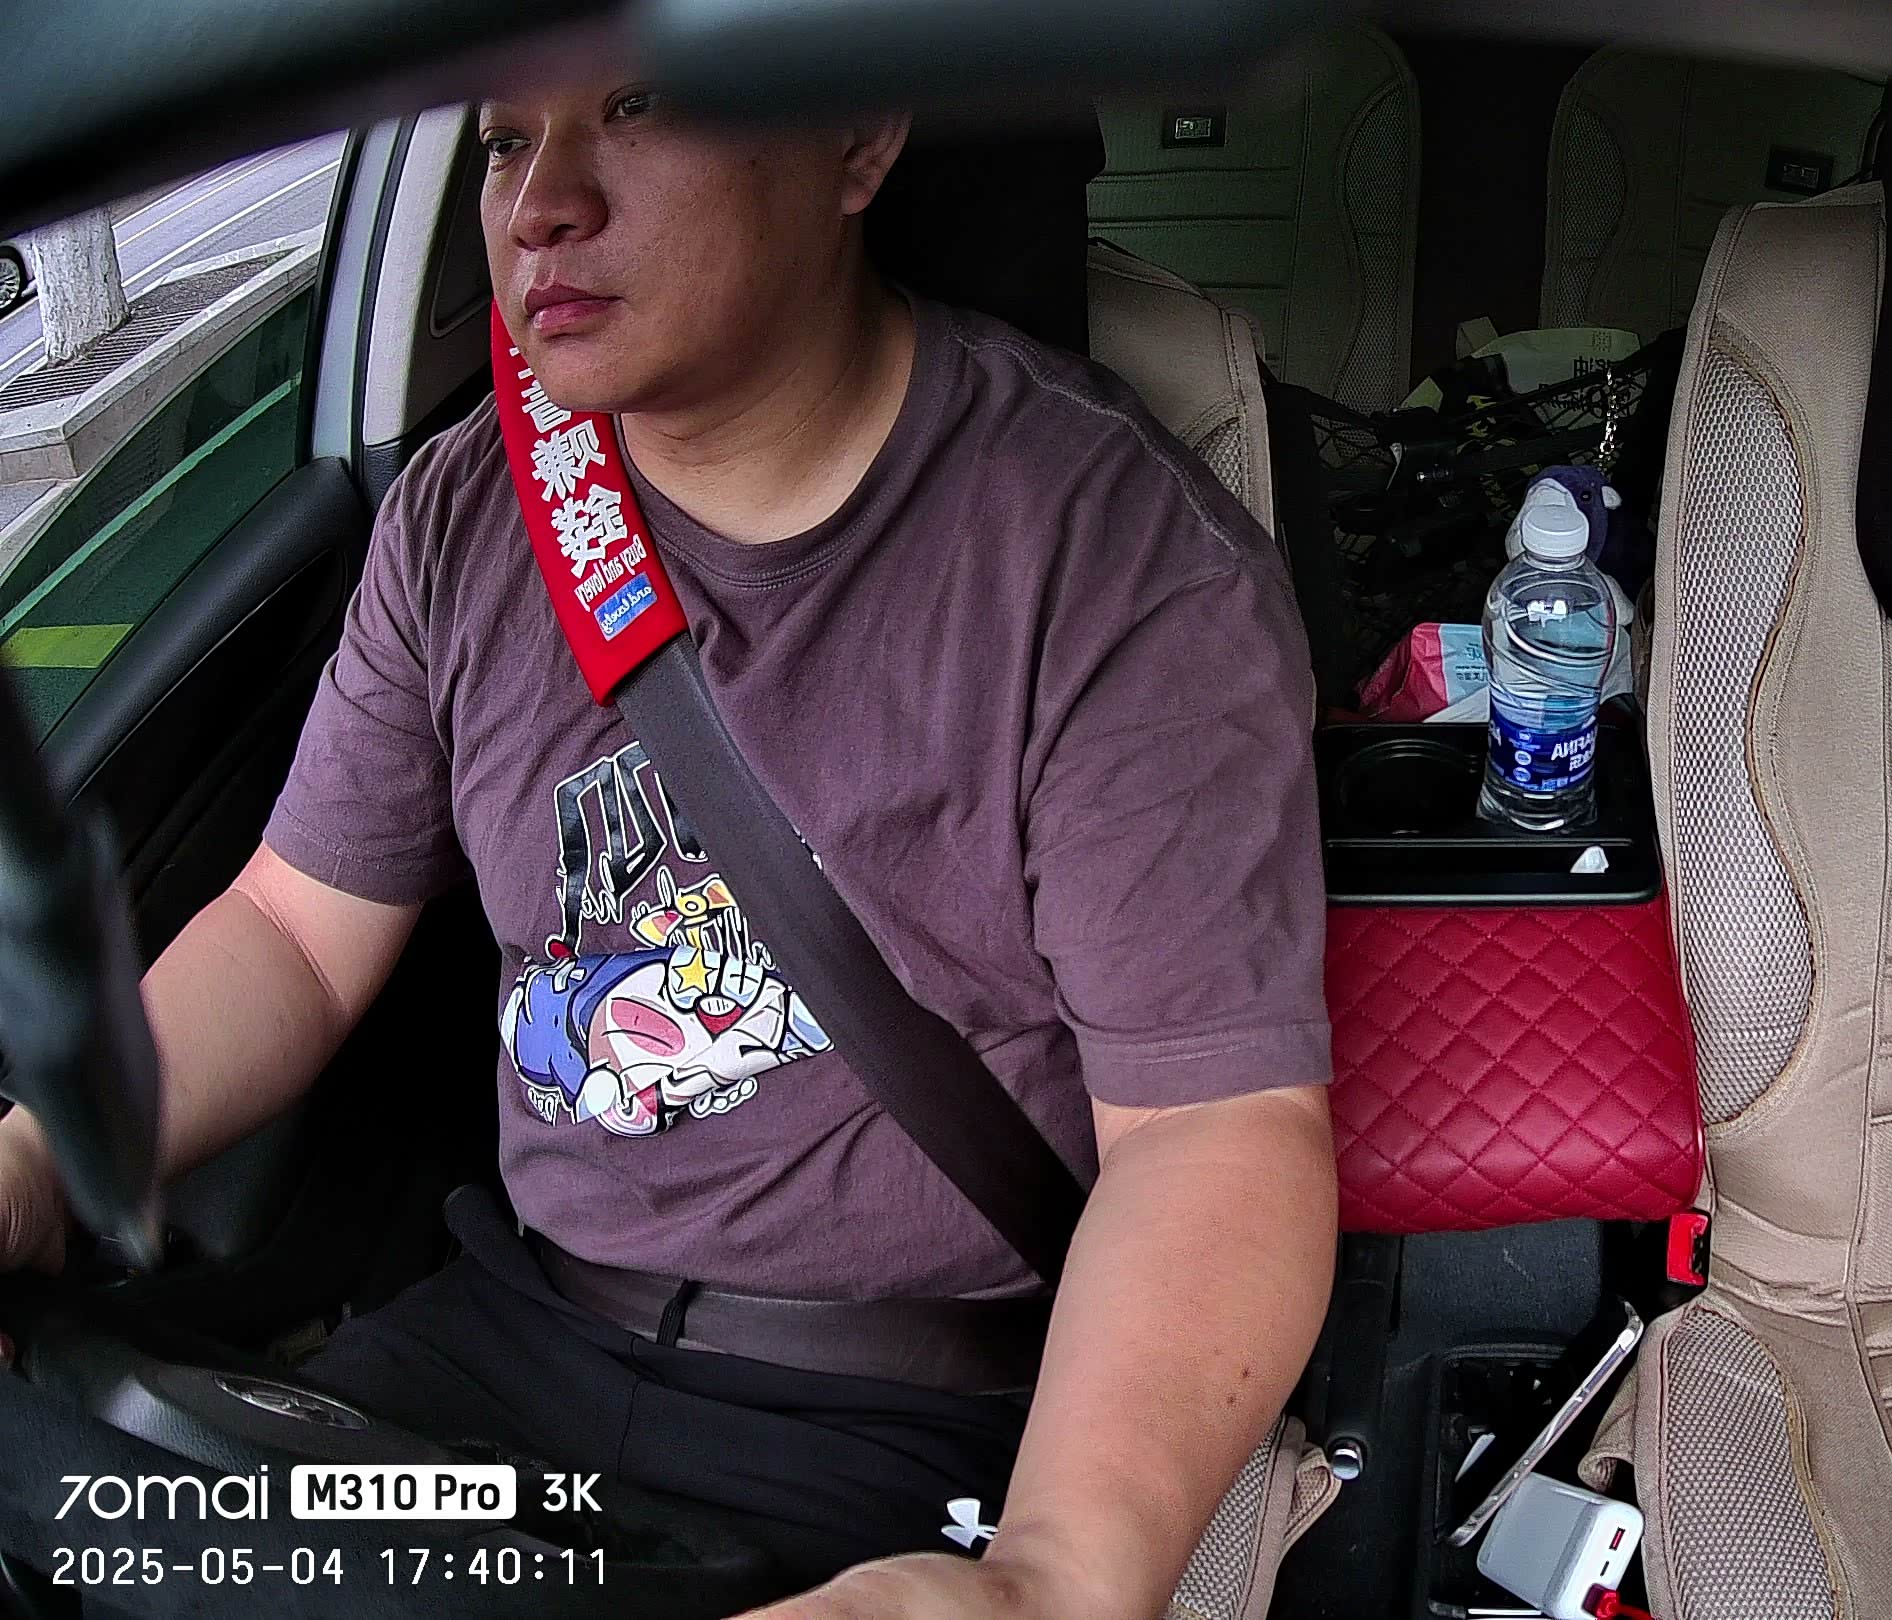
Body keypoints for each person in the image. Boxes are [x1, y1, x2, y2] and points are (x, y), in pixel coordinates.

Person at [0, 72, 1336, 1620]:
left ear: (857, 138)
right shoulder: (468, 511)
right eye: (507, 141)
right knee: (118, 1558)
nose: (539, 204)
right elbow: (295, 935)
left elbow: (1210, 1132)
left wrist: (1052, 1578)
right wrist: (41, 1154)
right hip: (507, 1353)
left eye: (637, 110)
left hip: (894, 1416)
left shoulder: (1109, 556)